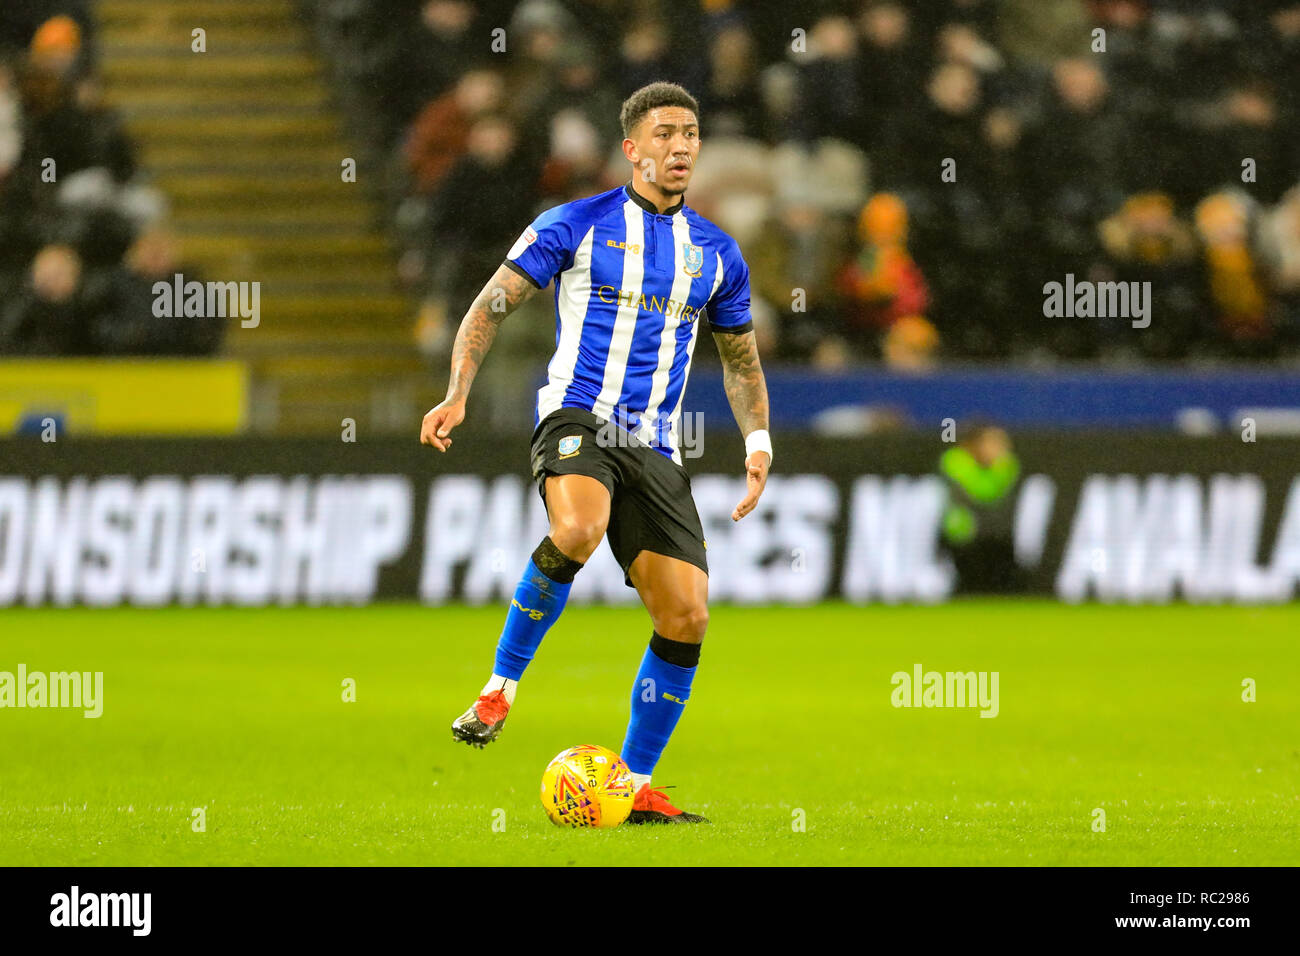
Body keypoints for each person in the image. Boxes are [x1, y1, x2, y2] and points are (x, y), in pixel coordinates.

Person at [420, 81, 771, 824]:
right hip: (578, 418)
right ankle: (499, 687)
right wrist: (457, 392)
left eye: (691, 134)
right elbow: (490, 305)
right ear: (633, 148)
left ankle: (633, 784)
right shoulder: (574, 224)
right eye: (666, 133)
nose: (681, 146)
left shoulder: (716, 254)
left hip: (655, 445)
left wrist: (759, 440)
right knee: (576, 528)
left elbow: (740, 361)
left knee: (687, 617)